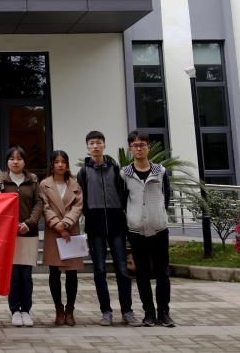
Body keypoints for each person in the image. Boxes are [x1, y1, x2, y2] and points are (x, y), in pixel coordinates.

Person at [76, 130, 136, 326]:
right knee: (100, 269)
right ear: (87, 147)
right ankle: (106, 311)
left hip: (116, 222)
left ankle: (127, 311)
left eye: (98, 142)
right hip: (95, 225)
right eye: (91, 143)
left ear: (104, 145)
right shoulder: (83, 172)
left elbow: (125, 194)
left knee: (122, 268)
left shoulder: (116, 169)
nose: (95, 146)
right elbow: (80, 199)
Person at [122, 130, 175, 327]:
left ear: (148, 147)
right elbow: (123, 201)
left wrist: (157, 214)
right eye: (135, 145)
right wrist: (132, 219)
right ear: (130, 148)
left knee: (163, 273)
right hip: (136, 231)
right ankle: (149, 313)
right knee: (142, 274)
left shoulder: (160, 171)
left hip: (159, 229)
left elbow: (166, 196)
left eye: (142, 145)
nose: (139, 149)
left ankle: (164, 312)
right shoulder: (125, 174)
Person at [0, 145, 44, 327]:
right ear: (7, 161)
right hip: (9, 235)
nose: (15, 162)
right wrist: (12, 224)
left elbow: (38, 203)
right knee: (13, 275)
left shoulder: (32, 180)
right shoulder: (1, 182)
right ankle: (15, 310)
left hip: (29, 234)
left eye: (19, 158)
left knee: (26, 275)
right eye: (12, 158)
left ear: (24, 162)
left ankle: (26, 310)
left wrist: (29, 223)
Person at [39, 149, 83, 327]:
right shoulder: (44, 184)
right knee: (54, 272)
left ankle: (70, 310)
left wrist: (65, 224)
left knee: (72, 273)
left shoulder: (75, 184)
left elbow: (78, 207)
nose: (60, 165)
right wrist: (57, 225)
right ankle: (58, 309)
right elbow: (44, 207)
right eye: (57, 162)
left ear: (67, 164)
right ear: (51, 164)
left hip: (71, 231)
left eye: (63, 162)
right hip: (53, 232)